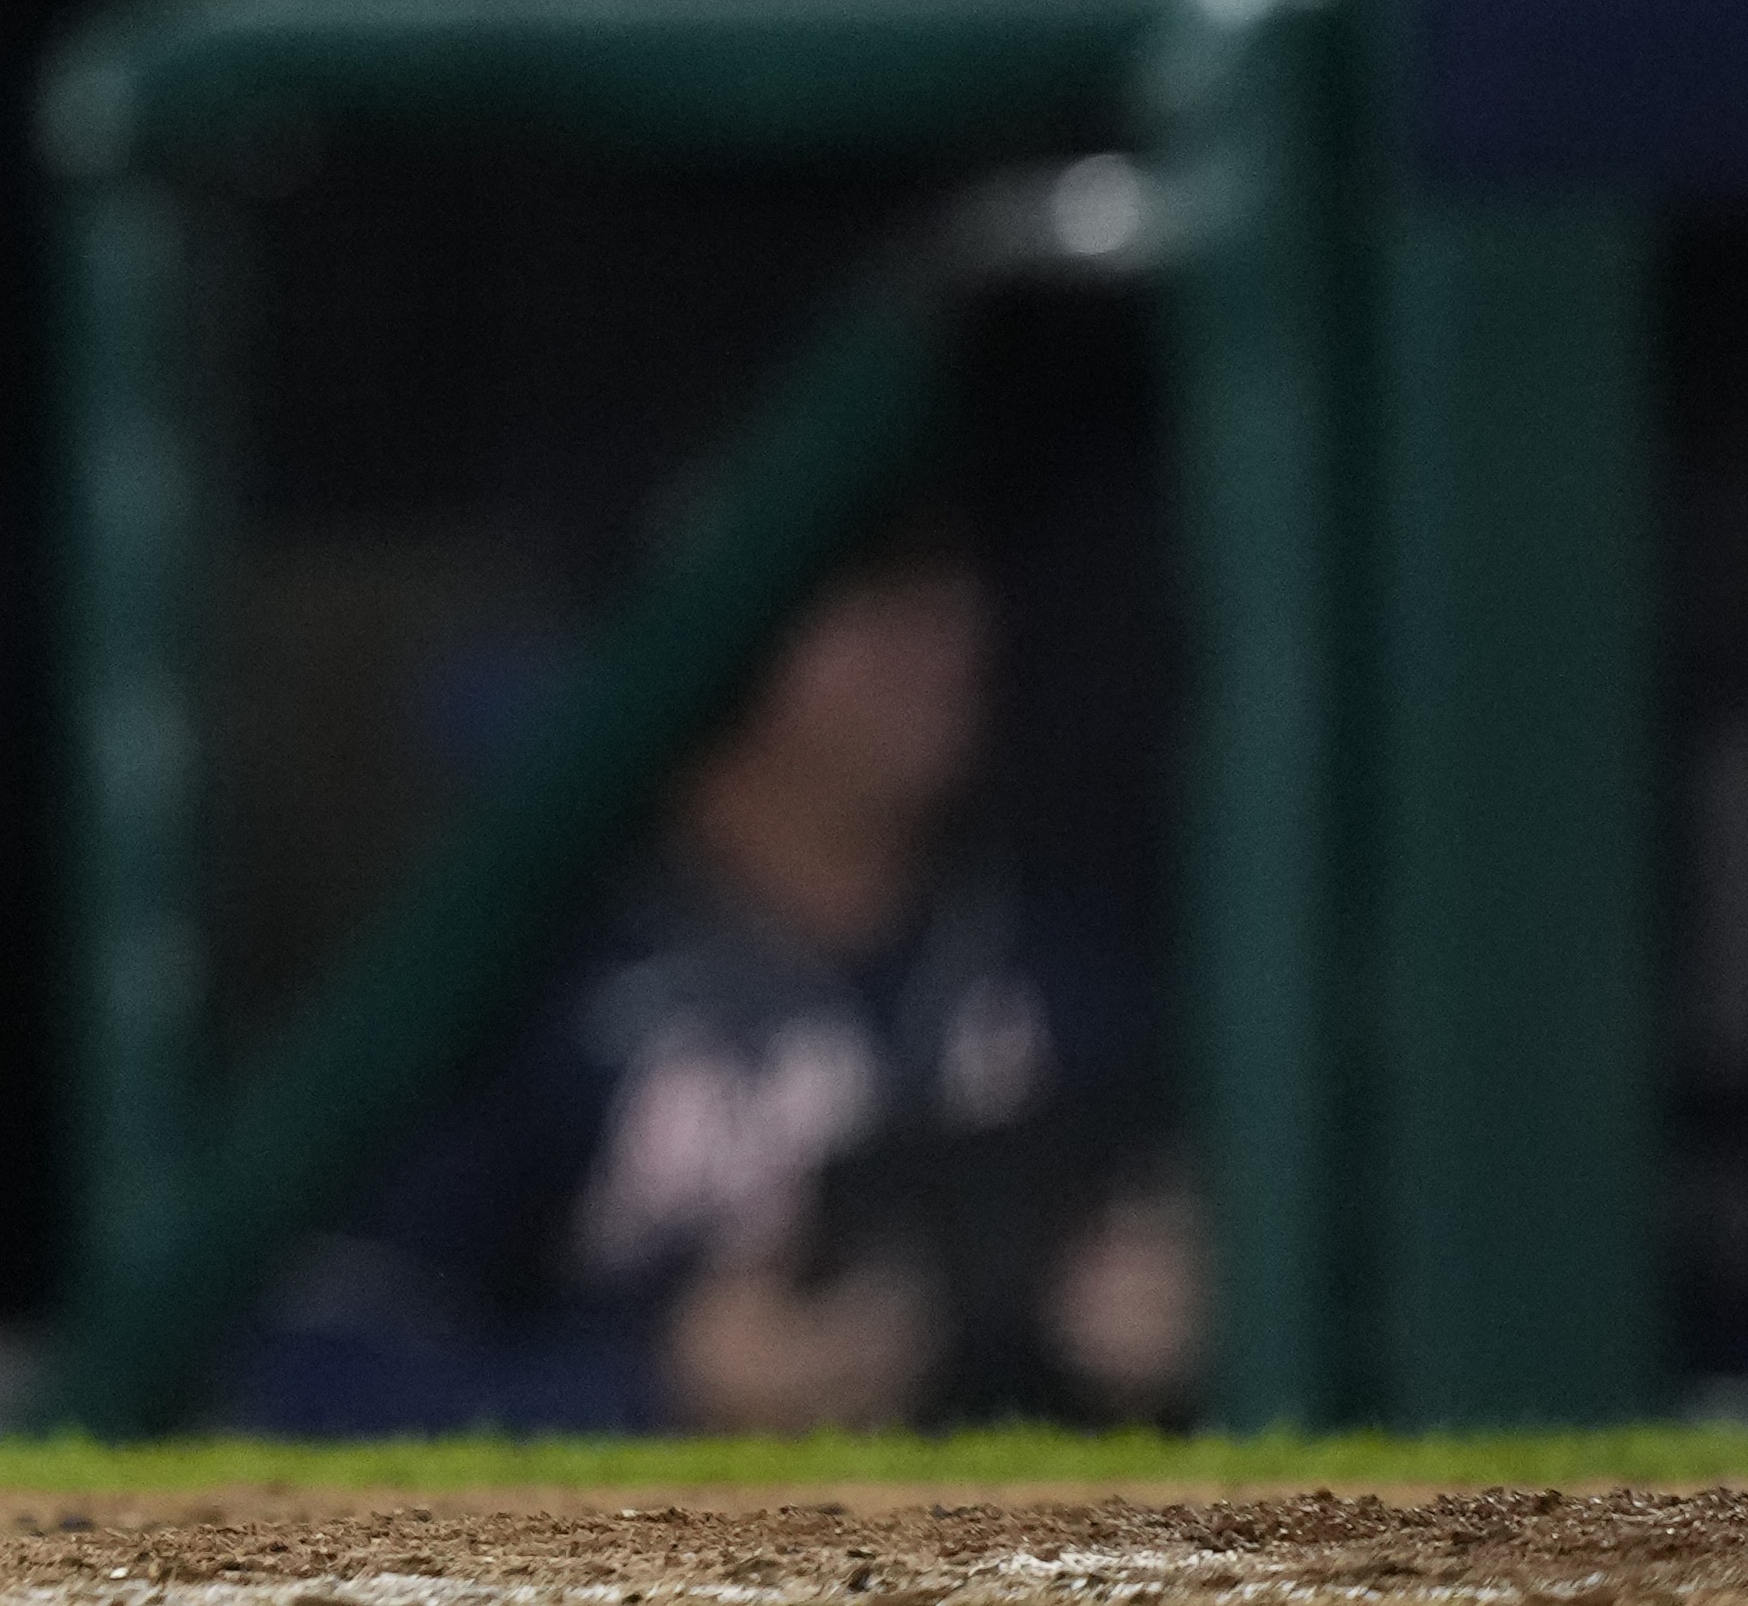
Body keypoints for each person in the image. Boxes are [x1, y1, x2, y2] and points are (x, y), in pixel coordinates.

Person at [243, 538, 1202, 1435]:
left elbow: (1278, 1257)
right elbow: (302, 1368)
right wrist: (653, 1386)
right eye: (876, 600)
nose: (950, 633)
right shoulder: (538, 965)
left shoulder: (1071, 948)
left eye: (952, 590)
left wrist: (1213, 1334)